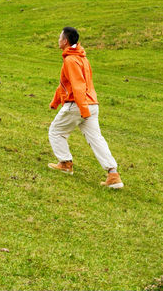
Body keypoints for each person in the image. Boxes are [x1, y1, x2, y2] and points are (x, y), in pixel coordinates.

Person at [48, 26, 124, 189]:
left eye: (59, 37)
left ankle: (65, 163)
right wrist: (55, 102)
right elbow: (65, 84)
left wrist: (82, 109)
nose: (58, 40)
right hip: (92, 104)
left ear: (65, 41)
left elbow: (77, 85)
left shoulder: (70, 60)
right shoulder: (82, 58)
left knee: (56, 131)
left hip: (78, 105)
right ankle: (113, 174)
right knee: (96, 139)